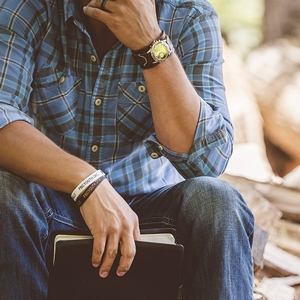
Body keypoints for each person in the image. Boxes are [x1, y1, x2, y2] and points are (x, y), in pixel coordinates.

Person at [0, 0, 254, 299]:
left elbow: (208, 161)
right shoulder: (25, 7)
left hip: (150, 213)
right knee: (3, 191)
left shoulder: (190, 15)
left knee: (218, 203)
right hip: (49, 207)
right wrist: (88, 183)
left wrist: (150, 44)